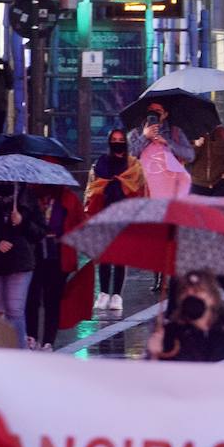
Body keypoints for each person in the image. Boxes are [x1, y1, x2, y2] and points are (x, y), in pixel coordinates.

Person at [85, 129, 148, 313]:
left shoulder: (133, 164)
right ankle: (103, 293)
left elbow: (139, 188)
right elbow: (94, 187)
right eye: (114, 139)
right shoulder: (102, 162)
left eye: (121, 140)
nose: (118, 142)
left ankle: (117, 296)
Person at [0, 181, 43, 349]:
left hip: (19, 263)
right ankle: (2, 352)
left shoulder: (27, 199)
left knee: (15, 310)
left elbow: (39, 232)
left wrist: (22, 221)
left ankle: (19, 353)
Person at [147, 269, 224, 362]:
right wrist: (154, 354)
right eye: (185, 291)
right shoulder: (171, 334)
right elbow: (155, 380)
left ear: (213, 298)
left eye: (199, 290)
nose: (192, 295)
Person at [27, 184, 83, 350]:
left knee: (53, 300)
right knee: (32, 299)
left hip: (59, 255)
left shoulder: (68, 198)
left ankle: (48, 341)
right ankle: (32, 337)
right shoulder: (30, 196)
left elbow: (79, 223)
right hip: (34, 253)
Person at [129, 101, 194, 199]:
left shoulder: (175, 132)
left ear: (165, 114)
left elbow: (190, 156)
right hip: (144, 189)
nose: (154, 113)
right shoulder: (136, 133)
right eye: (151, 110)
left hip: (170, 189)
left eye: (158, 111)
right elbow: (128, 157)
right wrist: (144, 136)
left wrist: (167, 142)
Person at [188, 122, 224, 197]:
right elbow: (186, 159)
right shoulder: (191, 133)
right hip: (198, 184)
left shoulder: (223, 132)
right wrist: (196, 146)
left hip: (221, 183)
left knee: (220, 208)